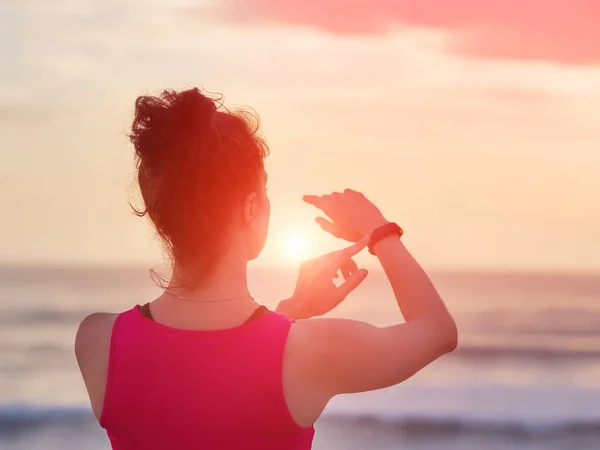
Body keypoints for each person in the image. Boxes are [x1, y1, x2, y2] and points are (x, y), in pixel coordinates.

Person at [75, 88, 457, 450]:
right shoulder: (312, 352)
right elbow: (436, 331)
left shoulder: (98, 342)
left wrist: (290, 313)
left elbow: (205, 378)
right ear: (252, 206)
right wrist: (379, 230)